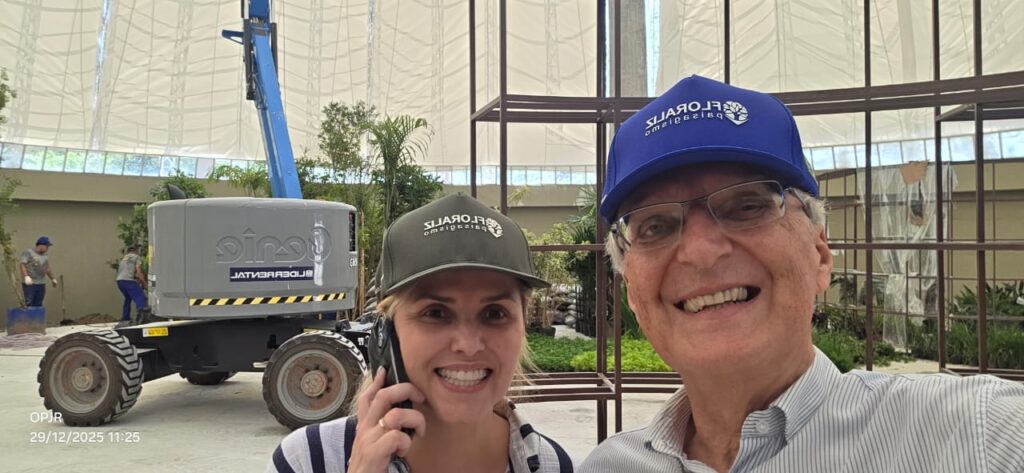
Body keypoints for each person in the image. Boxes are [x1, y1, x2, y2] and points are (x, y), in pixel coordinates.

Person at [579, 75, 1024, 472]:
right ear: (631, 290)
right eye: (655, 227)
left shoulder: (980, 435)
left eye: (747, 206)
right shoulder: (609, 466)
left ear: (820, 255)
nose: (700, 252)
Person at [268, 194, 574, 473]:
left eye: (495, 314)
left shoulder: (552, 465)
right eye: (435, 313)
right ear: (385, 335)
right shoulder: (307, 461)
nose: (468, 345)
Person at [20, 236, 57, 307]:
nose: (47, 248)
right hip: (31, 283)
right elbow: (22, 265)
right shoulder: (28, 252)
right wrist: (26, 276)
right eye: (46, 246)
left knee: (38, 304)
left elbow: (47, 268)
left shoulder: (45, 256)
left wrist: (53, 278)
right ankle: (29, 314)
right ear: (41, 245)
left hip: (41, 283)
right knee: (29, 303)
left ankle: (36, 315)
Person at [115, 245, 148, 326]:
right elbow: (139, 272)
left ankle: (125, 318)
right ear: (136, 251)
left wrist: (136, 279)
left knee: (128, 298)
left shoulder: (124, 259)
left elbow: (127, 272)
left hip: (120, 282)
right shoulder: (136, 257)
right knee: (141, 298)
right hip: (128, 281)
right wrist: (145, 284)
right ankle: (142, 319)